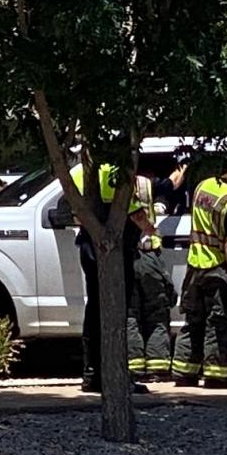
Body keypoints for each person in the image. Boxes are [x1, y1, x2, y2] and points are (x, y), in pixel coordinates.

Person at [72, 162, 153, 395]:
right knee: (116, 311)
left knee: (94, 310)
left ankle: (91, 374)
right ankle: (113, 376)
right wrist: (151, 230)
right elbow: (134, 212)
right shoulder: (114, 170)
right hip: (115, 253)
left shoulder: (80, 170)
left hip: (89, 247)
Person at [171, 157, 227, 389]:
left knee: (193, 320)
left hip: (195, 267)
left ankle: (185, 372)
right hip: (218, 268)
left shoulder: (202, 187)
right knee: (220, 322)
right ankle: (216, 375)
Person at [127, 169, 185, 382]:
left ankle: (133, 367)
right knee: (156, 313)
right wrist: (185, 165)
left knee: (130, 314)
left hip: (124, 257)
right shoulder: (145, 184)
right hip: (149, 256)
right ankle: (158, 367)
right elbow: (173, 183)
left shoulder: (107, 186)